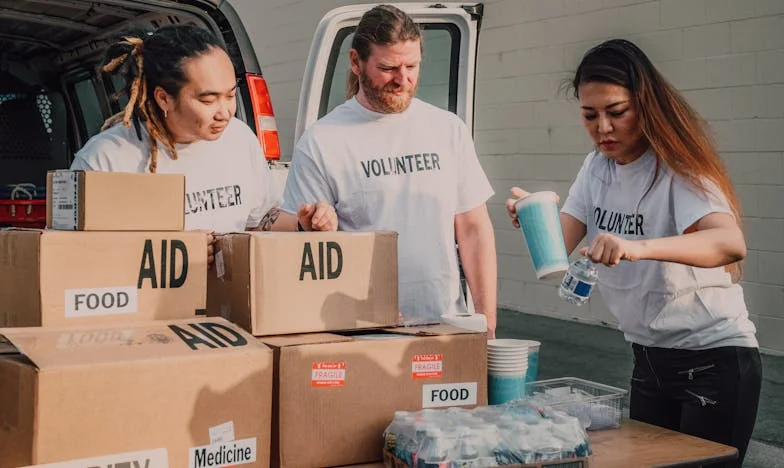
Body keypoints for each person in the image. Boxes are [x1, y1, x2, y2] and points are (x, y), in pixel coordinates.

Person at [506, 39, 761, 467]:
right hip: (648, 359)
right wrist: (532, 216)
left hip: (713, 360)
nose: (603, 128)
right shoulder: (597, 167)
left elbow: (729, 242)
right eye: (590, 115)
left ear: (644, 105)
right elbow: (559, 248)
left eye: (616, 112)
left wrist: (637, 248)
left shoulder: (677, 167)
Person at [281, 5, 498, 337]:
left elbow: (473, 229)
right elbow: (309, 254)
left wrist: (487, 322)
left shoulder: (447, 129)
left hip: (447, 325)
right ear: (356, 62)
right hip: (362, 332)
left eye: (412, 66)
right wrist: (314, 225)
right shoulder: (322, 142)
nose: (403, 80)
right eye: (388, 67)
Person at [70, 24, 337, 261]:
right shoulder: (105, 160)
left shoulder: (240, 138)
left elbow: (258, 222)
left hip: (226, 309)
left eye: (231, 95)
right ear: (164, 98)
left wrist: (303, 224)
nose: (225, 112)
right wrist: (172, 252)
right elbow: (73, 256)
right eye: (208, 100)